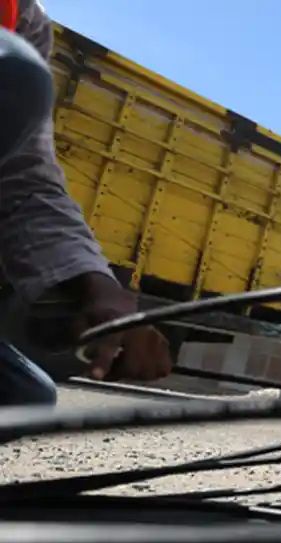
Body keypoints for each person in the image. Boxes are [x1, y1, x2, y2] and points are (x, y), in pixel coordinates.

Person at [0, 0, 172, 408]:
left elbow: (22, 181)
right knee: (15, 73)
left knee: (20, 398)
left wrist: (96, 284)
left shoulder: (23, 17)